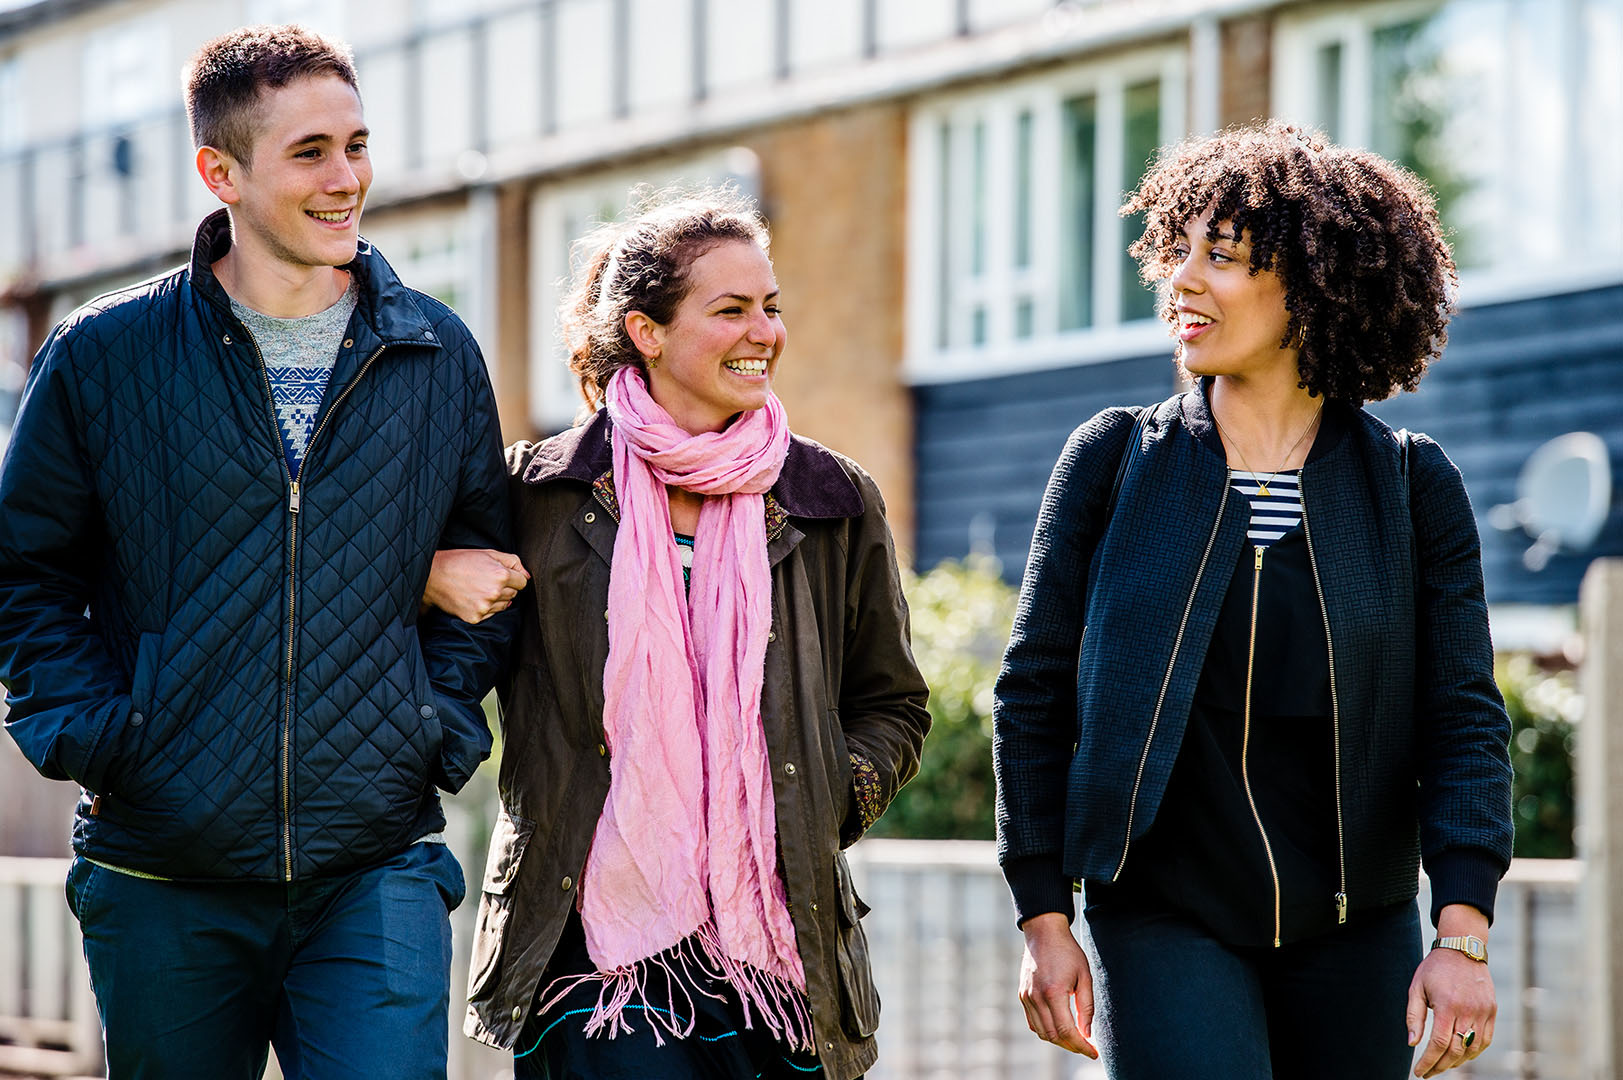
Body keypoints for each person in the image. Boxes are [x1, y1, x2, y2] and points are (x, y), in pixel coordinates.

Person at [0, 25, 518, 1080]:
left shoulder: (433, 352)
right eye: (311, 152)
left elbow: (488, 570)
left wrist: (435, 727)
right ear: (219, 172)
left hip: (373, 862)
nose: (347, 179)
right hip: (163, 873)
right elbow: (25, 575)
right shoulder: (106, 355)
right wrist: (106, 736)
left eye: (358, 144)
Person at [992, 122, 1512, 1080]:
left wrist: (1462, 931)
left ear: (1313, 287)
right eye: (1176, 253)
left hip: (1357, 921)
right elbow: (1032, 695)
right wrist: (1043, 912)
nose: (1181, 281)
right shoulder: (1114, 463)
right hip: (1161, 910)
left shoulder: (1406, 485)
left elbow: (1463, 716)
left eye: (1219, 258)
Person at [433, 188, 930, 1080]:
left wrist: (827, 799)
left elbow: (891, 701)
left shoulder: (830, 500)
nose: (763, 332)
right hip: (589, 951)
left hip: (782, 947)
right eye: (731, 309)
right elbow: (441, 656)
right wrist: (428, 576)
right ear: (648, 331)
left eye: (770, 308)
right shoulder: (540, 496)